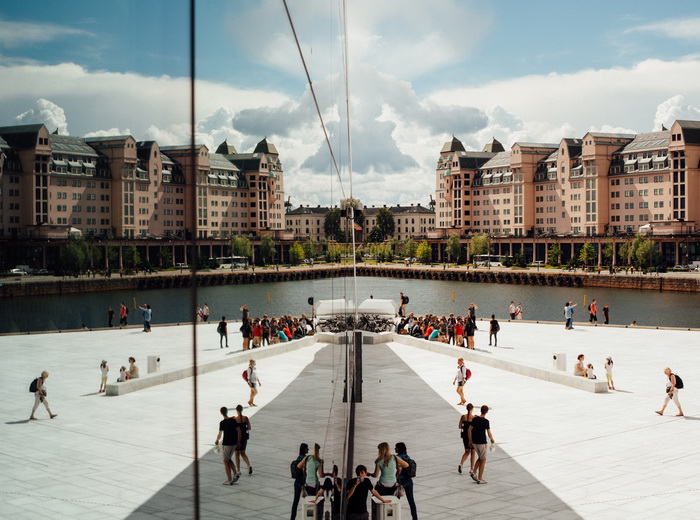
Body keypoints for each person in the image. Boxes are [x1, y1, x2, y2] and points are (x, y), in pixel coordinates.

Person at [468, 404, 495, 484]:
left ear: (480, 410)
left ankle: (473, 472)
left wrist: (470, 440)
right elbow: (488, 432)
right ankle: (480, 478)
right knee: (483, 459)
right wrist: (492, 439)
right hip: (482, 443)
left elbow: (469, 430)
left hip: (474, 442)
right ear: (486, 412)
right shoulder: (486, 421)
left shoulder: (475, 419)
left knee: (480, 457)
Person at [214, 406, 240, 485]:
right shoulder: (233, 420)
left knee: (225, 461)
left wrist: (217, 440)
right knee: (228, 459)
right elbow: (238, 430)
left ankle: (229, 479)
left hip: (227, 443)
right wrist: (238, 441)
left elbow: (220, 434)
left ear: (221, 413)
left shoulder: (222, 423)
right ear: (227, 411)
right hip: (234, 443)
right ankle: (235, 474)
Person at [395, 442, 418, 520]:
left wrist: (396, 477)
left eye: (396, 447)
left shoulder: (398, 458)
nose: (395, 449)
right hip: (409, 481)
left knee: (394, 500)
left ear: (399, 449)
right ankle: (415, 518)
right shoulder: (407, 457)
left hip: (401, 481)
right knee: (411, 501)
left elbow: (399, 469)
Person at [291, 443, 309, 520]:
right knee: (309, 501)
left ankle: (292, 518)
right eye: (307, 448)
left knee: (295, 502)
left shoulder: (298, 458)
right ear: (304, 449)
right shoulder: (304, 459)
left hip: (297, 482)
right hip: (303, 482)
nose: (308, 449)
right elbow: (304, 470)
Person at [233, 404, 253, 473]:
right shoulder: (246, 418)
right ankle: (249, 465)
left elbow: (235, 429)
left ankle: (238, 470)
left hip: (237, 438)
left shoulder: (235, 419)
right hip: (244, 437)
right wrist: (244, 429)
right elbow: (249, 428)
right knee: (243, 453)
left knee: (236, 454)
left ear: (236, 410)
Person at [458, 403, 476, 478]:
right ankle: (471, 469)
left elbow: (459, 426)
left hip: (465, 436)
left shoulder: (463, 417)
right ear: (472, 409)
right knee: (473, 453)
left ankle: (461, 463)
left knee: (466, 451)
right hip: (471, 436)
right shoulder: (473, 418)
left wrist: (464, 427)